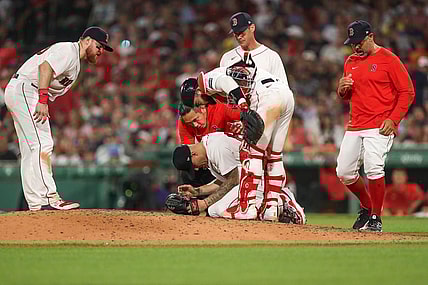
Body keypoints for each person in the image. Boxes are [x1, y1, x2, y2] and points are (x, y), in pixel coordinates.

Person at [4, 26, 114, 211]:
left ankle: (36, 203)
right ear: (86, 40)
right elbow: (45, 67)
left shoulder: (75, 61)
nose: (101, 51)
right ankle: (49, 199)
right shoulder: (68, 50)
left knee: (32, 149)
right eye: (99, 46)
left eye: (103, 48)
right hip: (27, 89)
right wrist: (42, 99)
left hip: (22, 90)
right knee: (43, 144)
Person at [193, 54, 295, 222]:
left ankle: (248, 208)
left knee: (250, 152)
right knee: (274, 156)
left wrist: (243, 105)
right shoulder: (234, 81)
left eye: (197, 101)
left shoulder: (206, 81)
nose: (200, 105)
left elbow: (226, 82)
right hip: (286, 95)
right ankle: (271, 208)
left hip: (267, 96)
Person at [336, 20, 415, 232]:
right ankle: (367, 204)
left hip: (379, 124)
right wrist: (342, 90)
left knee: (373, 167)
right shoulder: (350, 61)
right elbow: (348, 96)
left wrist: (394, 119)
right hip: (355, 124)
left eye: (359, 42)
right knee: (344, 172)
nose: (355, 47)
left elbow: (407, 92)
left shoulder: (389, 59)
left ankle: (375, 218)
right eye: (352, 43)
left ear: (371, 36)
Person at [170, 132, 305, 224]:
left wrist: (204, 203)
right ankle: (274, 209)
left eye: (193, 165)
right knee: (214, 210)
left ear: (194, 154)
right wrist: (198, 191)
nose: (197, 168)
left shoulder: (216, 148)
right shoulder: (208, 146)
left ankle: (281, 200)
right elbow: (226, 180)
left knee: (215, 209)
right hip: (251, 180)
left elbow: (234, 178)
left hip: (261, 179)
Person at [177, 78, 242, 187]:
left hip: (233, 155)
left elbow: (247, 116)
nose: (195, 125)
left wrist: (242, 124)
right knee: (187, 170)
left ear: (202, 108)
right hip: (211, 159)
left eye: (195, 120)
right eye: (190, 123)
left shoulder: (220, 109)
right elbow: (189, 150)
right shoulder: (184, 122)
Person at [220, 12, 289, 85]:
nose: (239, 37)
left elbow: (283, 89)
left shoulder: (271, 56)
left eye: (242, 32)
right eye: (236, 33)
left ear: (252, 28)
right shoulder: (227, 57)